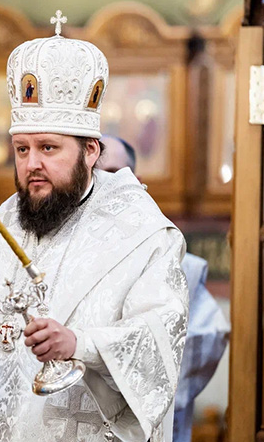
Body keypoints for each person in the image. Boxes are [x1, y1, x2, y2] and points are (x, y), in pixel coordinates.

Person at [0, 24, 189, 442]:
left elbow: (159, 345)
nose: (32, 163)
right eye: (22, 149)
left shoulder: (144, 238)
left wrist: (79, 343)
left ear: (90, 151)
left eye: (48, 148)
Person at [98, 135, 230, 442]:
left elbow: (206, 337)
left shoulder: (173, 256)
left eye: (114, 173)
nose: (104, 184)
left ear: (136, 180)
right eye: (95, 174)